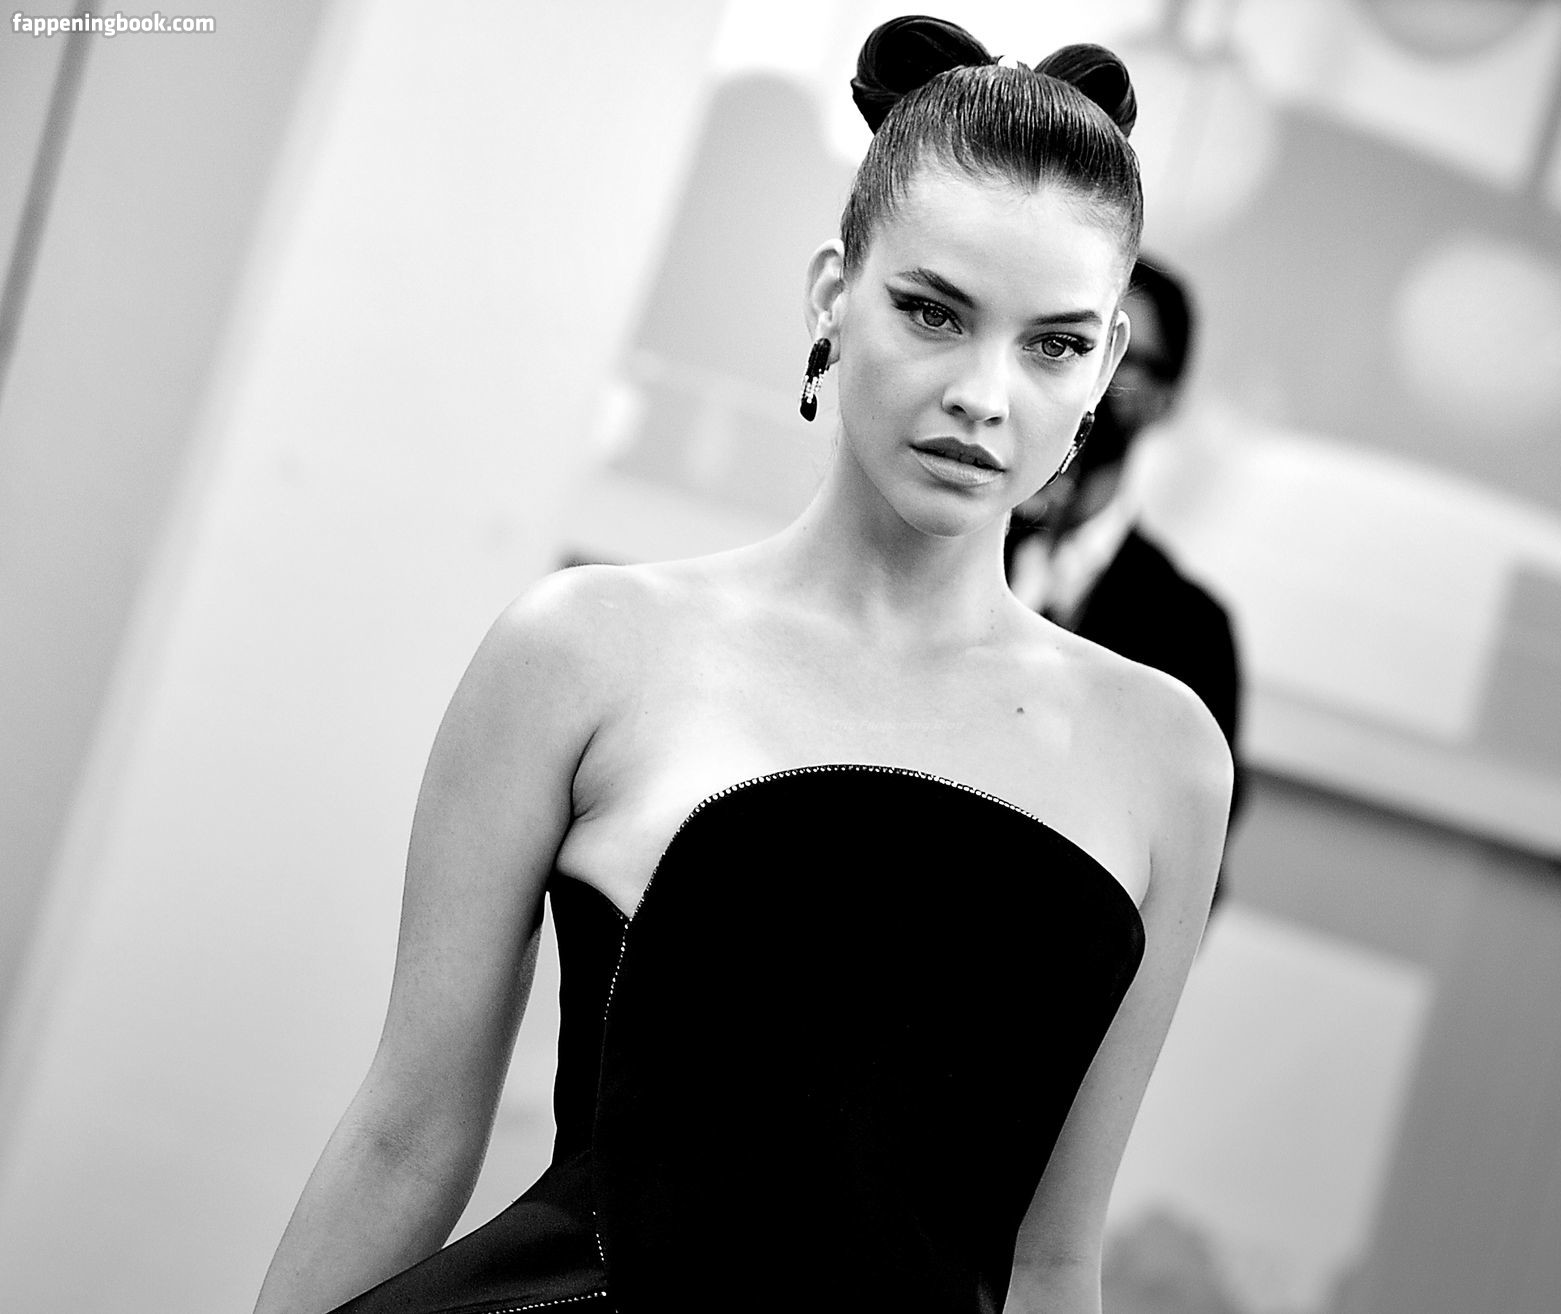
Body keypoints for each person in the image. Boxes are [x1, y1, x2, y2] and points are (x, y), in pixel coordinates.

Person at [252, 15, 1229, 1314]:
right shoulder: (585, 651)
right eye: (932, 311)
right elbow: (406, 1134)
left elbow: (1051, 1258)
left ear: (1104, 366)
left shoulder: (1164, 760)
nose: (985, 395)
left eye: (1052, 342)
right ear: (832, 295)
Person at [1008, 257, 1242, 864]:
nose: (1095, 375)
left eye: (1125, 355)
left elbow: (1191, 852)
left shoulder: (1193, 631)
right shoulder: (955, 541)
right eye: (1071, 344)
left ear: (1165, 400)